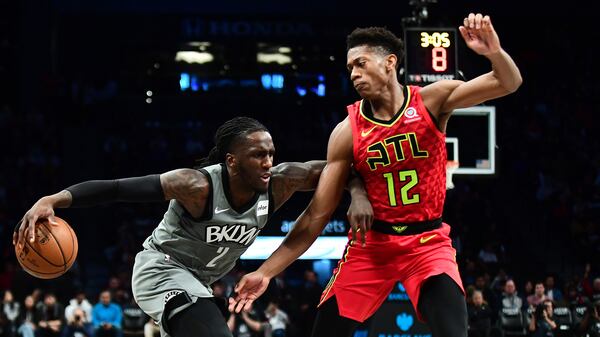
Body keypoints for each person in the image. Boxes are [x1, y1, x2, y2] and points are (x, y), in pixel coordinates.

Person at [229, 12, 522, 337]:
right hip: (372, 246)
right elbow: (316, 215)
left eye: (361, 63)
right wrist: (266, 272)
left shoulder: (431, 100)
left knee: (453, 331)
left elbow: (508, 83)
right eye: (350, 67)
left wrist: (494, 52)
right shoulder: (346, 132)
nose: (353, 73)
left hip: (426, 243)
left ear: (389, 63)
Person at [14, 117, 370, 337]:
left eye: (271, 154)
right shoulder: (195, 186)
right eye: (258, 155)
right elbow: (118, 188)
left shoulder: (281, 181)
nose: (268, 163)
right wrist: (53, 200)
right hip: (161, 270)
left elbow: (345, 168)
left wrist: (357, 196)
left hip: (201, 281)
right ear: (231, 161)